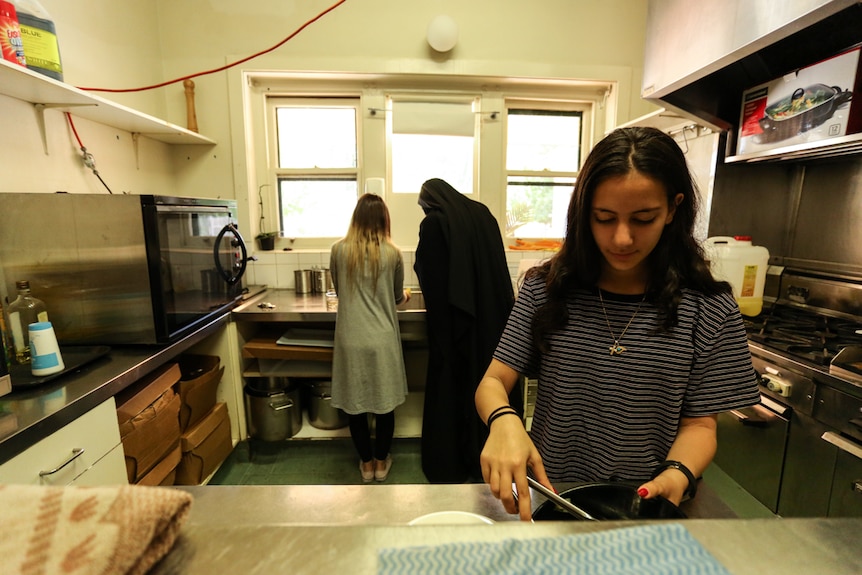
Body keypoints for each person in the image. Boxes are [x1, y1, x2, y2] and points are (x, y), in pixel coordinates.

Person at [475, 127, 761, 520]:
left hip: (647, 508)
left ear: (673, 209)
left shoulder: (708, 307)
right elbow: (493, 382)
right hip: (554, 500)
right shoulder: (547, 290)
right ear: (584, 212)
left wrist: (677, 473)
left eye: (643, 218)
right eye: (604, 218)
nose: (622, 238)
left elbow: (700, 426)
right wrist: (503, 420)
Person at [414, 178, 522, 483]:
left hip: (454, 330)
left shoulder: (435, 224)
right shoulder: (483, 214)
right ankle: (488, 460)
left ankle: (451, 465)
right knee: (489, 390)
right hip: (493, 325)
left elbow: (431, 280)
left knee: (451, 392)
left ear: (430, 201)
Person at [329, 193, 411, 483]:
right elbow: (398, 297)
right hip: (382, 339)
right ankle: (381, 461)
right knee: (384, 404)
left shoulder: (339, 251)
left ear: (356, 217)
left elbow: (339, 291)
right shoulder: (392, 253)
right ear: (384, 220)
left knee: (357, 404)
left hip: (351, 338)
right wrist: (404, 295)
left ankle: (365, 465)